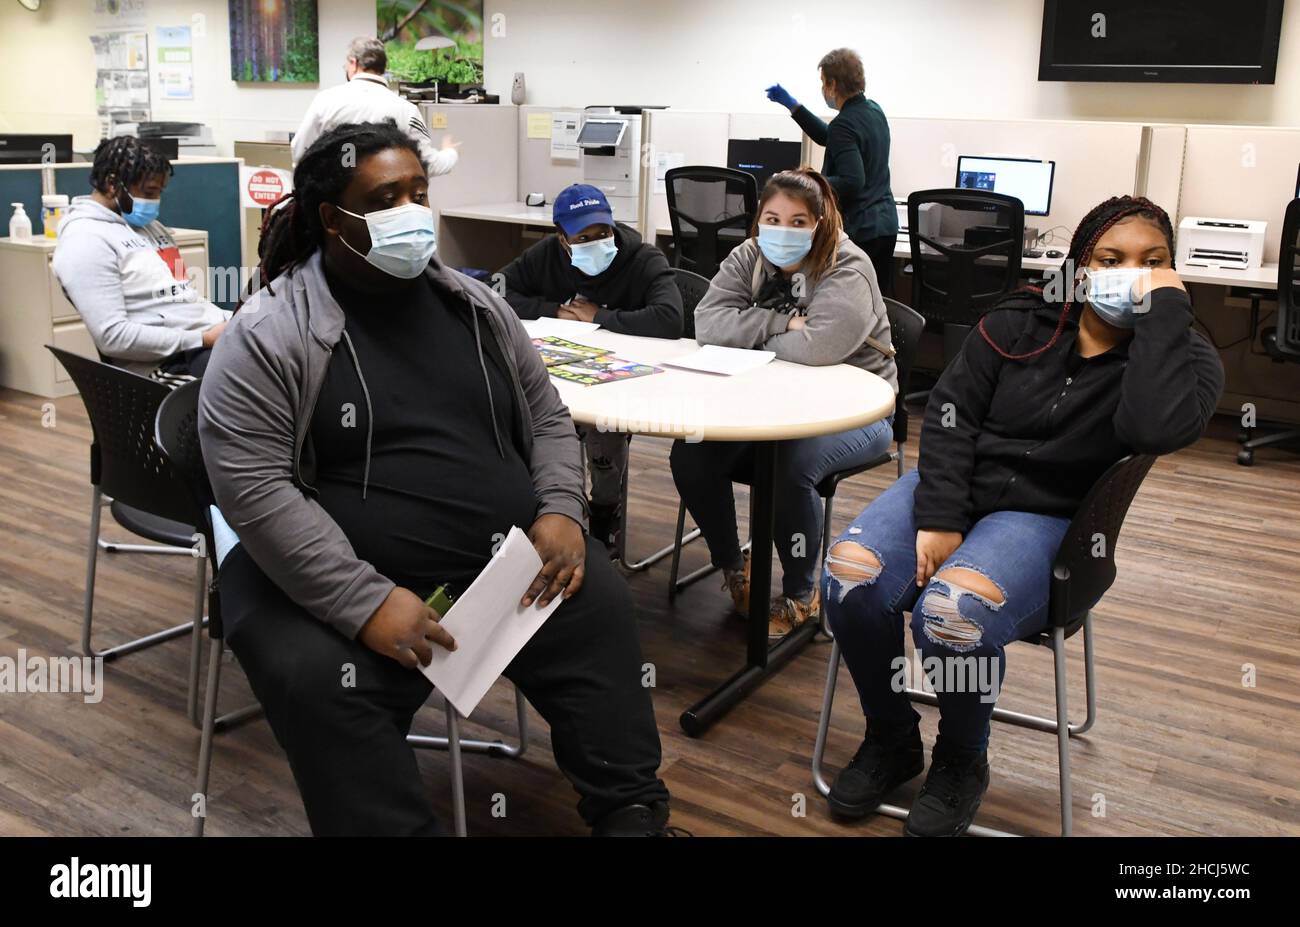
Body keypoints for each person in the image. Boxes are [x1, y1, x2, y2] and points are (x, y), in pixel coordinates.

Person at [197, 122, 673, 836]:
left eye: (419, 192)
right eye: (386, 197)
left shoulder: (474, 306)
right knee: (319, 678)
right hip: (317, 576)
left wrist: (563, 508)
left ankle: (630, 810)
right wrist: (363, 601)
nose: (412, 211)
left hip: (491, 562)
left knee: (596, 598)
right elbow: (257, 492)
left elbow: (546, 415)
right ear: (332, 219)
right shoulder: (269, 333)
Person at [820, 195, 1225, 837]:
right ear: (1080, 264)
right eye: (1110, 259)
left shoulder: (1185, 360)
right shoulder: (1018, 323)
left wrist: (1165, 314)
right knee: (849, 576)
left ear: (1172, 274)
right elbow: (951, 415)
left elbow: (1152, 428)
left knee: (953, 616)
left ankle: (961, 757)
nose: (1131, 274)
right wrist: (943, 514)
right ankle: (892, 736)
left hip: (1051, 520)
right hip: (956, 488)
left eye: (1153, 263)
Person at [671, 168, 897, 638]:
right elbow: (707, 324)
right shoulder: (749, 255)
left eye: (798, 221)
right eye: (773, 218)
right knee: (690, 451)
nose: (783, 230)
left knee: (789, 465)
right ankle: (735, 568)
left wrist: (751, 328)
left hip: (857, 409)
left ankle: (801, 593)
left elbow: (819, 350)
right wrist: (782, 323)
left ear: (820, 222)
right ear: (758, 220)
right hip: (766, 401)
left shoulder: (847, 266)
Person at [500, 183, 684, 552]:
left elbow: (670, 319)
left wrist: (597, 316)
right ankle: (550, 510)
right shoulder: (546, 256)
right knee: (529, 410)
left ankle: (604, 512)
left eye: (603, 232)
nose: (597, 241)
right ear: (562, 240)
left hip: (625, 382)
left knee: (603, 426)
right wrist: (551, 310)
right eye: (583, 236)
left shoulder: (643, 258)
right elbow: (495, 288)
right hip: (565, 372)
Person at [53, 136, 228, 383]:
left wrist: (231, 322)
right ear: (112, 183)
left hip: (204, 343)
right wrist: (203, 338)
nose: (155, 202)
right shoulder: (84, 240)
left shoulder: (150, 227)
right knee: (258, 385)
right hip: (165, 366)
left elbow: (184, 297)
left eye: (159, 192)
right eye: (148, 192)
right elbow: (113, 337)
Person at [766, 48, 897, 295]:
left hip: (863, 229)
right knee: (875, 301)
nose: (823, 89)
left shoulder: (845, 123)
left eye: (823, 82)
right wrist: (793, 106)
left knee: (853, 300)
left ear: (833, 83)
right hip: (885, 226)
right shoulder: (874, 111)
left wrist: (804, 181)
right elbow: (830, 137)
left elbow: (852, 181)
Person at [291, 37, 457, 177]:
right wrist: (450, 153)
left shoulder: (325, 100)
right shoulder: (407, 110)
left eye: (346, 66)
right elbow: (427, 164)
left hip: (334, 208)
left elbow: (299, 151)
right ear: (383, 67)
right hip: (384, 208)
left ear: (353, 63)